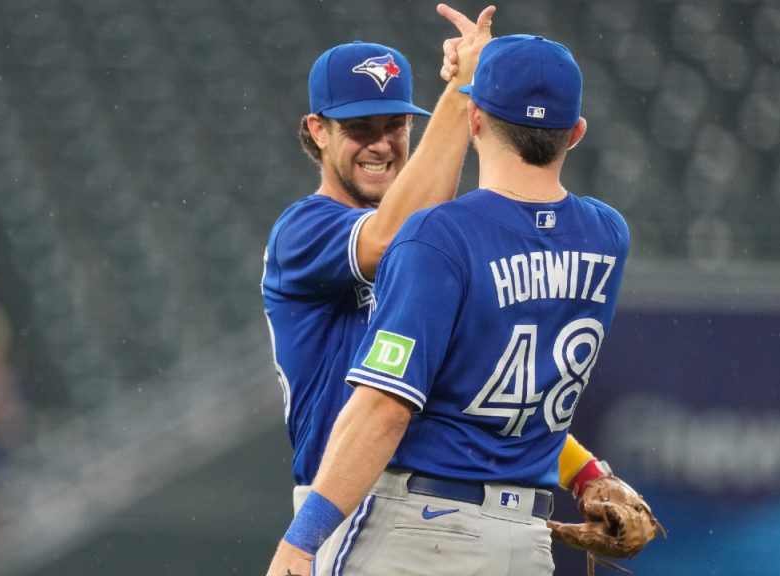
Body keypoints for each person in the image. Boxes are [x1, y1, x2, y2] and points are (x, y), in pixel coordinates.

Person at [267, 32, 632, 575]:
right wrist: (465, 88)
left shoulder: (446, 239)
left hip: (404, 519)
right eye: (359, 127)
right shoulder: (306, 230)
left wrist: (585, 473)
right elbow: (388, 238)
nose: (380, 143)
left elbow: (472, 396)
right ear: (317, 131)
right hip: (354, 502)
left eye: (395, 126)